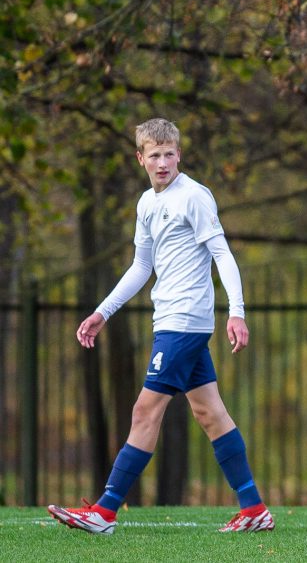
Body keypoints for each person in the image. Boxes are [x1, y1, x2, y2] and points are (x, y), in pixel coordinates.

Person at [47, 119, 272, 535]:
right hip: (170, 320)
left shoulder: (195, 197)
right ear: (141, 158)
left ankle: (105, 511)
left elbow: (222, 254)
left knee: (143, 411)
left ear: (179, 154)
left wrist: (236, 310)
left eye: (170, 153)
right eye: (154, 155)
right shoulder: (146, 203)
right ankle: (254, 507)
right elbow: (141, 267)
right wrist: (102, 312)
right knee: (210, 412)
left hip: (184, 322)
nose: (163, 162)